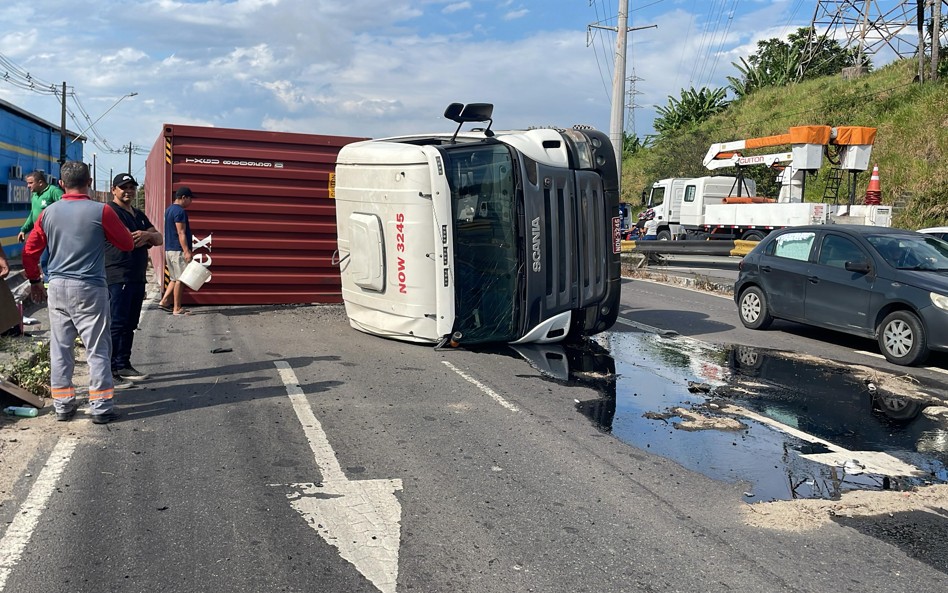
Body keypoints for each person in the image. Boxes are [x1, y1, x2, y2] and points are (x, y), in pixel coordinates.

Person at [23, 161, 134, 424]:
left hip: (58, 287)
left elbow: (30, 251)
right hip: (89, 287)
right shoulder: (102, 210)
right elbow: (127, 243)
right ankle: (101, 406)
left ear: (61, 184)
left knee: (60, 348)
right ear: (90, 182)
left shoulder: (47, 213)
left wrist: (35, 280)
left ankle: (63, 405)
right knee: (97, 347)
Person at [105, 173, 163, 384]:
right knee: (116, 324)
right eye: (123, 187)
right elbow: (123, 239)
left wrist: (147, 235)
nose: (128, 190)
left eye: (131, 187)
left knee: (130, 323)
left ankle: (124, 364)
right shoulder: (110, 212)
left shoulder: (138, 214)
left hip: (137, 277)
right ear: (114, 190)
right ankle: (110, 370)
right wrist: (140, 237)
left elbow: (158, 237)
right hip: (117, 275)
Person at [19, 170, 64, 280]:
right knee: (44, 261)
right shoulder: (35, 196)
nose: (28, 186)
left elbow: (66, 208)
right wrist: (24, 229)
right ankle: (47, 286)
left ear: (40, 182)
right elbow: (32, 214)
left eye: (30, 183)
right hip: (40, 235)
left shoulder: (54, 191)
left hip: (54, 235)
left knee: (53, 262)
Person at [158, 187, 194, 315]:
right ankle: (177, 308)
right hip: (178, 250)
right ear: (184, 197)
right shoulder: (180, 212)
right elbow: (181, 232)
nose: (191, 202)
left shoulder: (169, 210)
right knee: (181, 279)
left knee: (174, 278)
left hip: (169, 249)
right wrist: (186, 251)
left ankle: (164, 301)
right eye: (190, 199)